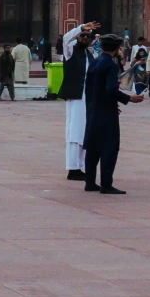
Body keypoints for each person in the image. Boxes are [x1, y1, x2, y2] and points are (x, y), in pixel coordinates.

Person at [79, 34, 141, 194]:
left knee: (93, 147)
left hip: (93, 110)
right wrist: (129, 99)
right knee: (109, 147)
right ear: (116, 48)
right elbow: (111, 90)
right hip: (106, 113)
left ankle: (90, 182)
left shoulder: (94, 62)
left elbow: (92, 89)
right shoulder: (111, 65)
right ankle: (106, 184)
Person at [56, 19, 92, 180]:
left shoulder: (89, 54)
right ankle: (72, 167)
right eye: (82, 35)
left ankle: (81, 166)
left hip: (88, 96)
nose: (84, 38)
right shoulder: (70, 51)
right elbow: (65, 39)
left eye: (86, 36)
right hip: (76, 96)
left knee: (85, 131)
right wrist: (80, 28)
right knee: (74, 131)